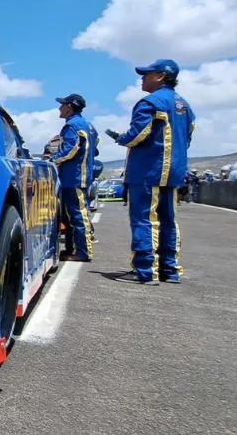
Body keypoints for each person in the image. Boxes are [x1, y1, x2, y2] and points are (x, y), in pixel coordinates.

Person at [105, 59, 195, 285]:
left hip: (147, 171)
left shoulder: (150, 103)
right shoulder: (185, 106)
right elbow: (187, 138)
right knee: (168, 221)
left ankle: (147, 270)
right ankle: (170, 270)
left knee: (144, 220)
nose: (142, 78)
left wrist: (120, 138)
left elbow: (137, 135)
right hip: (174, 172)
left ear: (161, 76)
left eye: (147, 74)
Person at [50, 94, 96, 262]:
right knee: (72, 215)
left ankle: (83, 252)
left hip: (74, 176)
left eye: (62, 105)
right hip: (79, 175)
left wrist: (51, 161)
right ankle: (73, 249)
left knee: (77, 215)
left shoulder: (72, 126)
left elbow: (70, 150)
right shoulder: (87, 125)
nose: (59, 108)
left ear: (69, 106)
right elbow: (95, 143)